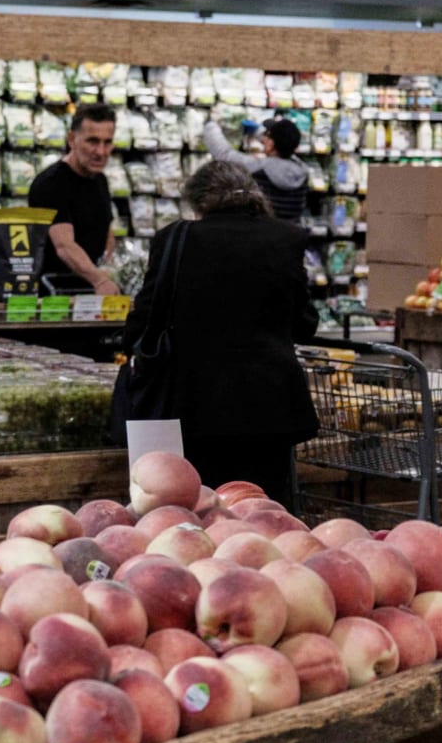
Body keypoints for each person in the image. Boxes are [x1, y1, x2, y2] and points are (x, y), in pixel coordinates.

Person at [119, 160, 320, 502]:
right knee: (265, 509)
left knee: (199, 507)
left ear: (197, 203)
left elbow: (143, 321)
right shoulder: (287, 238)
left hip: (194, 406)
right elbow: (305, 325)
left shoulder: (175, 239)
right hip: (269, 407)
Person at [28, 104, 121, 294]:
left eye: (107, 142)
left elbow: (106, 232)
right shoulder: (51, 183)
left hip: (91, 292)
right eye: (93, 141)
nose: (101, 152)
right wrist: (100, 280)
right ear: (72, 139)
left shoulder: (99, 179)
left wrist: (110, 270)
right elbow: (64, 245)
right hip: (56, 296)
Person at [204, 115, 311, 225]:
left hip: (263, 231)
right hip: (291, 233)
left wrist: (211, 125)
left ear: (271, 143)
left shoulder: (261, 167)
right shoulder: (303, 170)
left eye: (267, 137)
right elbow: (284, 144)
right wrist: (257, 131)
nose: (264, 139)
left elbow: (225, 154)